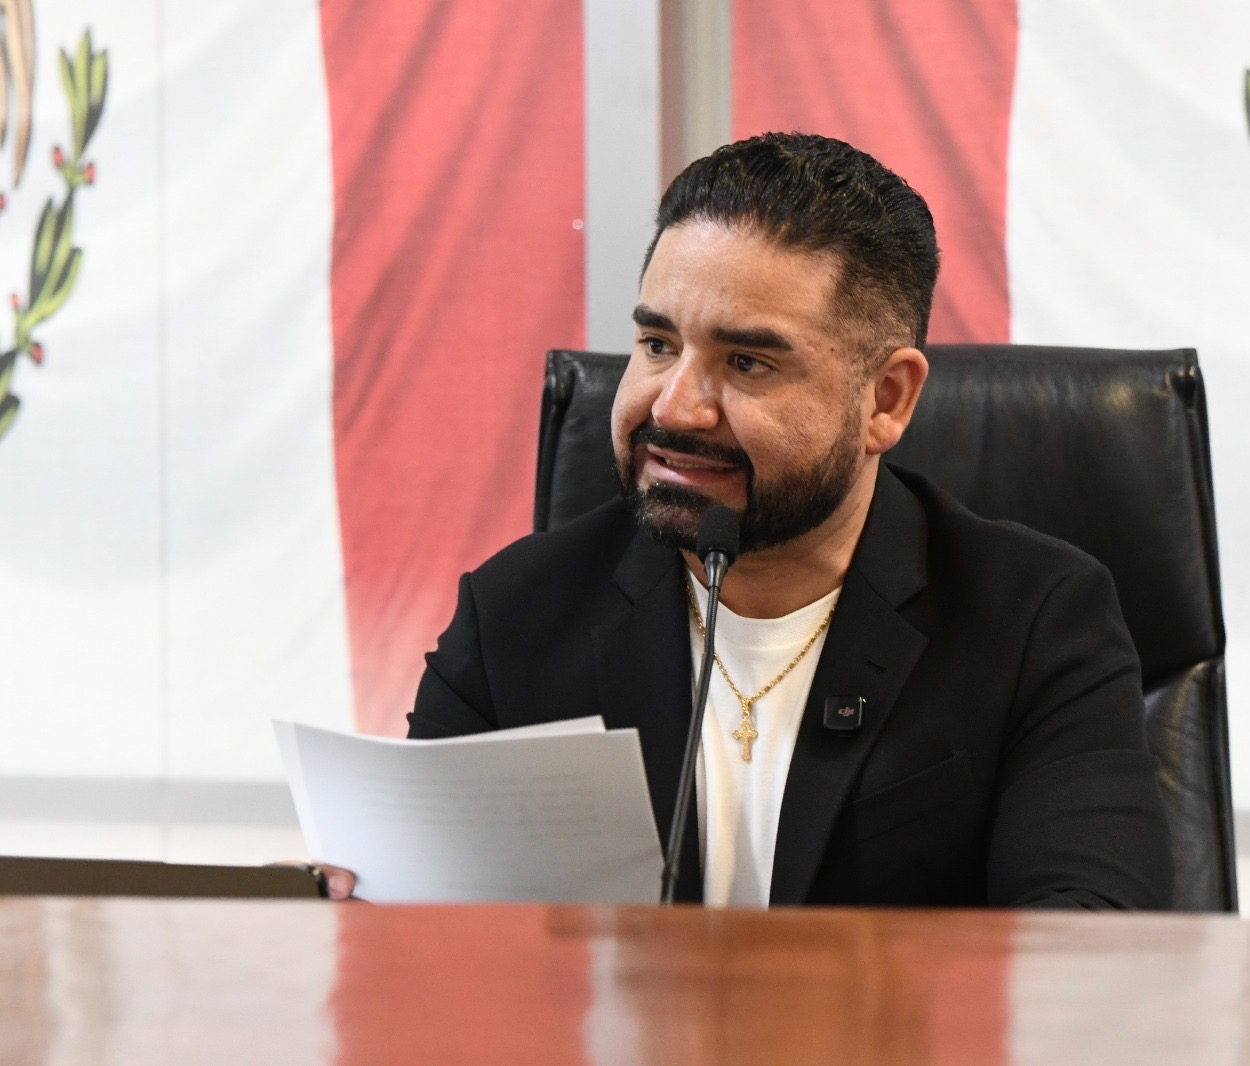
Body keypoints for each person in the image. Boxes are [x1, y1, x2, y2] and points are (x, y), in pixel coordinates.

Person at [330, 132, 1173, 908]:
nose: (675, 407)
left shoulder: (1036, 624)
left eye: (746, 362)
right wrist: (352, 912)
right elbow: (432, 937)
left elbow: (1088, 950)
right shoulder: (514, 618)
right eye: (658, 345)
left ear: (885, 400)